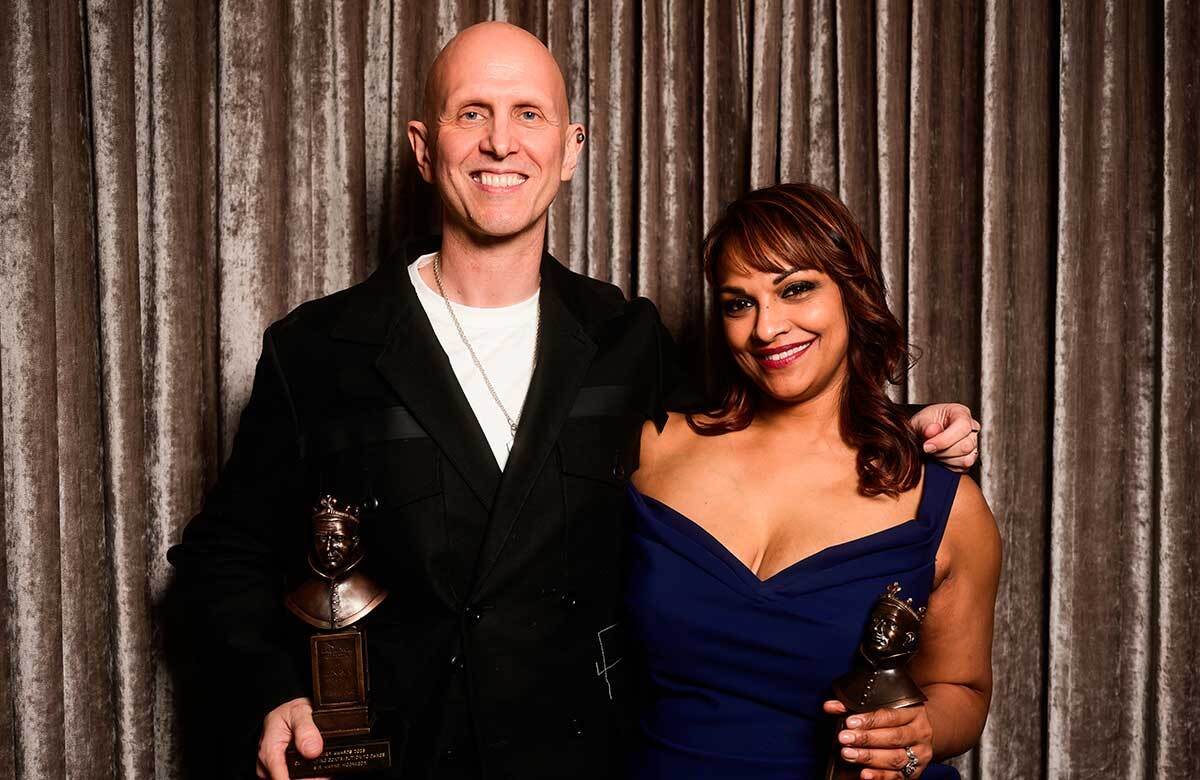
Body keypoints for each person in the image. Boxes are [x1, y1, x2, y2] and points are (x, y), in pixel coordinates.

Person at [166, 23, 981, 780]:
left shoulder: (628, 339)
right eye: (470, 113)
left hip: (589, 760)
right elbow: (221, 558)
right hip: (399, 757)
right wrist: (272, 690)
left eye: (529, 114)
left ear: (569, 150)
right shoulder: (318, 348)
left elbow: (761, 425)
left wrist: (906, 424)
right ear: (423, 147)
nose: (500, 141)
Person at [626, 183, 1000, 779]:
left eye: (795, 288)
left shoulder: (944, 505)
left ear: (852, 295)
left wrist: (920, 733)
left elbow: (963, 689)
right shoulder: (652, 450)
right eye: (737, 302)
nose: (768, 327)